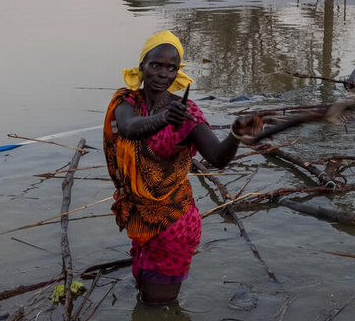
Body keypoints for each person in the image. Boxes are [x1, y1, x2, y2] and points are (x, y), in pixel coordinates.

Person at [104, 31, 261, 305]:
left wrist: (235, 135)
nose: (164, 73)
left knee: (157, 308)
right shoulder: (126, 101)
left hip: (173, 226)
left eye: (171, 67)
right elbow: (129, 129)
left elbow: (217, 158)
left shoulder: (187, 114)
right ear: (142, 65)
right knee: (147, 298)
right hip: (141, 219)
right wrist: (164, 118)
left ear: (178, 73)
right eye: (156, 65)